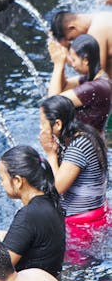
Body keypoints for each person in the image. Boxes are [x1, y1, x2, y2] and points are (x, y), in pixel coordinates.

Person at [0, 145, 65, 278]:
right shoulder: (51, 202)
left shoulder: (28, 215)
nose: (1, 184)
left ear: (17, 181)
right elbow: (36, 238)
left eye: (2, 179)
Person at [39, 95, 108, 238]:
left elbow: (56, 189)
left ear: (57, 124)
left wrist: (51, 154)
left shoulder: (78, 147)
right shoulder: (86, 134)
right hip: (95, 213)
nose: (40, 128)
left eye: (42, 123)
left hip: (82, 224)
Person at [47, 33, 112, 133]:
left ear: (85, 60)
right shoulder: (95, 79)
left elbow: (52, 104)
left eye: (74, 60)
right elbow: (64, 86)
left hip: (87, 146)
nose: (72, 65)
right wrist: (62, 61)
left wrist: (58, 64)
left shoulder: (95, 87)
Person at [50, 11, 112, 77]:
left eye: (72, 39)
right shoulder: (101, 16)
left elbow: (97, 76)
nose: (75, 42)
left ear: (71, 27)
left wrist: (65, 59)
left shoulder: (95, 33)